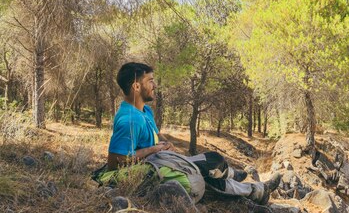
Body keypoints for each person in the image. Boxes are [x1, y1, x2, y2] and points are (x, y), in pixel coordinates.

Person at [106, 62, 281, 204]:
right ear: (136, 86)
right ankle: (251, 187)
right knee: (210, 166)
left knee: (212, 160)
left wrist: (165, 144)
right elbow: (117, 162)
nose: (155, 85)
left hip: (161, 161)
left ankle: (249, 185)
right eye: (150, 81)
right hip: (152, 167)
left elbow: (153, 135)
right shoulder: (129, 119)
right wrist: (154, 150)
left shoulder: (145, 111)